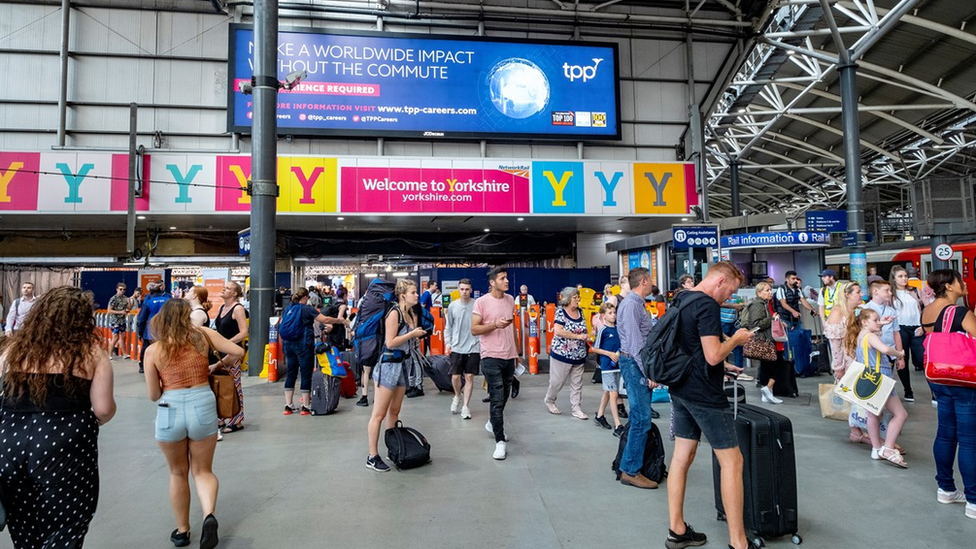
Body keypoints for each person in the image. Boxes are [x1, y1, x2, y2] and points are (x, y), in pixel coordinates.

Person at [0, 286, 116, 548]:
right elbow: (103, 409)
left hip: (10, 445)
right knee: (67, 525)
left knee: (24, 528)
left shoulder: (12, 351)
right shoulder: (91, 354)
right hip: (63, 446)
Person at [665, 261, 758, 549]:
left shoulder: (682, 298)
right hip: (704, 395)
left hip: (680, 388)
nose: (728, 298)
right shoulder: (707, 306)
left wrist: (723, 364)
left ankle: (677, 530)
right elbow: (713, 355)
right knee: (733, 462)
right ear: (719, 282)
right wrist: (738, 340)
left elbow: (691, 346)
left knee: (682, 457)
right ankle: (739, 543)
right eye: (728, 291)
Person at [144, 299, 243, 549]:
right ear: (188, 316)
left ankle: (183, 530)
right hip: (202, 403)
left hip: (170, 409)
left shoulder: (154, 350)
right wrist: (216, 365)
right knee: (203, 471)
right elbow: (238, 352)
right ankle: (208, 515)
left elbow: (154, 395)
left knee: (178, 472)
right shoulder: (204, 335)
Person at [921, 269, 976, 517]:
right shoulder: (960, 312)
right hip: (963, 378)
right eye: (959, 281)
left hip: (938, 375)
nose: (963, 284)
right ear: (949, 286)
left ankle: (946, 489)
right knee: (968, 440)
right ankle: (974, 501)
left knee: (945, 435)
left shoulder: (927, 310)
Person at [365, 279, 427, 472]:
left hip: (402, 365)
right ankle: (372, 456)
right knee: (379, 414)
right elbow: (390, 342)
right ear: (403, 295)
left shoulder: (410, 313)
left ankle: (393, 448)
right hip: (388, 366)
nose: (417, 295)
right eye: (413, 292)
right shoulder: (395, 313)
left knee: (395, 411)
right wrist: (412, 334)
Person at [845, 306, 908, 468]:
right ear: (865, 322)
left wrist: (881, 323)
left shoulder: (861, 336)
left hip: (868, 378)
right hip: (881, 378)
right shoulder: (871, 336)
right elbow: (885, 349)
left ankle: (876, 448)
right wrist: (900, 353)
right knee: (900, 414)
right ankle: (887, 447)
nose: (878, 322)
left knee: (873, 415)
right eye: (875, 320)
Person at [616, 267, 660, 490]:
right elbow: (635, 345)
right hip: (635, 365)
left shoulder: (636, 304)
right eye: (651, 280)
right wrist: (649, 372)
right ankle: (630, 470)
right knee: (642, 418)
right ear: (643, 281)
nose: (653, 283)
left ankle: (629, 463)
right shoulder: (632, 305)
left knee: (638, 417)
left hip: (635, 364)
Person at [472, 266, 521, 461]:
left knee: (505, 395)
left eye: (506, 278)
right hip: (490, 356)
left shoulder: (510, 300)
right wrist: (494, 325)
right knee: (497, 397)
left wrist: (517, 351)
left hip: (509, 355)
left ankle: (493, 423)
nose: (507, 281)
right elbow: (474, 329)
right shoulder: (482, 302)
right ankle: (499, 441)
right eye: (502, 278)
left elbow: (514, 327)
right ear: (492, 282)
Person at [281, 287, 348, 416]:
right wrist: (340, 320)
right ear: (305, 297)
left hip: (288, 345)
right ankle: (305, 406)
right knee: (306, 374)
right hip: (303, 345)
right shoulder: (306, 309)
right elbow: (325, 320)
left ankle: (288, 405)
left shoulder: (288, 309)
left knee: (291, 373)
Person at [544, 286, 590, 420]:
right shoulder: (560, 312)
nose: (578, 300)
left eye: (578, 297)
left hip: (579, 355)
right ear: (568, 299)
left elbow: (584, 328)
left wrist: (587, 335)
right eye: (575, 298)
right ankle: (550, 399)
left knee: (577, 384)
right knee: (557, 381)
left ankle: (576, 408)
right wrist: (577, 336)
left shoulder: (580, 312)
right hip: (561, 354)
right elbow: (558, 331)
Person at [864, 280, 911, 402]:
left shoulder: (891, 311)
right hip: (871, 353)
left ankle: (884, 403)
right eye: (887, 290)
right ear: (875, 291)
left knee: (887, 379)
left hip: (890, 353)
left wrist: (900, 356)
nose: (890, 293)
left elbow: (896, 333)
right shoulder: (865, 310)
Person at [212, 282, 248, 434]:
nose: (223, 289)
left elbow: (244, 332)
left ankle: (237, 420)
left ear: (234, 293)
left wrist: (227, 343)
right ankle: (223, 415)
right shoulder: (221, 308)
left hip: (232, 352)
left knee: (235, 384)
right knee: (221, 384)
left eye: (227, 288)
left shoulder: (238, 309)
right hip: (220, 351)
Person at [743, 282, 785, 404]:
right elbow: (756, 324)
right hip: (764, 339)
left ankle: (768, 391)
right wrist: (772, 319)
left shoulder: (767, 304)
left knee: (771, 365)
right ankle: (767, 389)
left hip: (769, 338)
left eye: (770, 290)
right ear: (759, 292)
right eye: (767, 290)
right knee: (776, 364)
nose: (770, 292)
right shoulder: (758, 305)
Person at [445, 278, 479, 420]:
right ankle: (457, 395)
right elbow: (449, 326)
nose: (464, 291)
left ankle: (465, 406)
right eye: (462, 289)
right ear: (458, 290)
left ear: (471, 290)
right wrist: (448, 343)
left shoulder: (477, 305)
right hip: (457, 346)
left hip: (474, 346)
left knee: (469, 376)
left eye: (467, 289)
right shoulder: (453, 306)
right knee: (455, 376)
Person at [592, 301, 624, 436]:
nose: (613, 315)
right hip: (607, 367)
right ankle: (618, 424)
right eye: (610, 313)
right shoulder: (603, 331)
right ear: (603, 316)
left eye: (614, 312)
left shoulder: (618, 329)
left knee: (608, 391)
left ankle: (599, 415)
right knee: (614, 394)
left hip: (617, 366)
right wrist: (609, 354)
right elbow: (595, 348)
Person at [891, 266, 925, 378]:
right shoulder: (890, 294)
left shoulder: (915, 290)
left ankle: (934, 392)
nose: (904, 279)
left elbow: (927, 307)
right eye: (900, 276)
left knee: (923, 358)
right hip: (900, 328)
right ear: (894, 278)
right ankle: (908, 391)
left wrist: (923, 326)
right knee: (902, 358)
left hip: (917, 327)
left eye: (906, 276)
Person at [137, 282, 172, 374]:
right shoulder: (168, 300)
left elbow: (141, 319)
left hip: (150, 331)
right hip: (165, 329)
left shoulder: (148, 302)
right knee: (164, 348)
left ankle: (143, 367)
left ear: (151, 293)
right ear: (161, 290)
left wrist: (139, 332)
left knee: (146, 348)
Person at [108, 282, 132, 359]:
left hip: (122, 320)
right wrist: (120, 312)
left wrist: (129, 304)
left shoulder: (125, 298)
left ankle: (124, 354)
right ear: (117, 289)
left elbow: (128, 309)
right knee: (115, 337)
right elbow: (109, 310)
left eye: (124, 289)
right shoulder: (113, 298)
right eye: (120, 289)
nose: (122, 291)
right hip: (115, 320)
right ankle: (109, 354)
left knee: (123, 337)